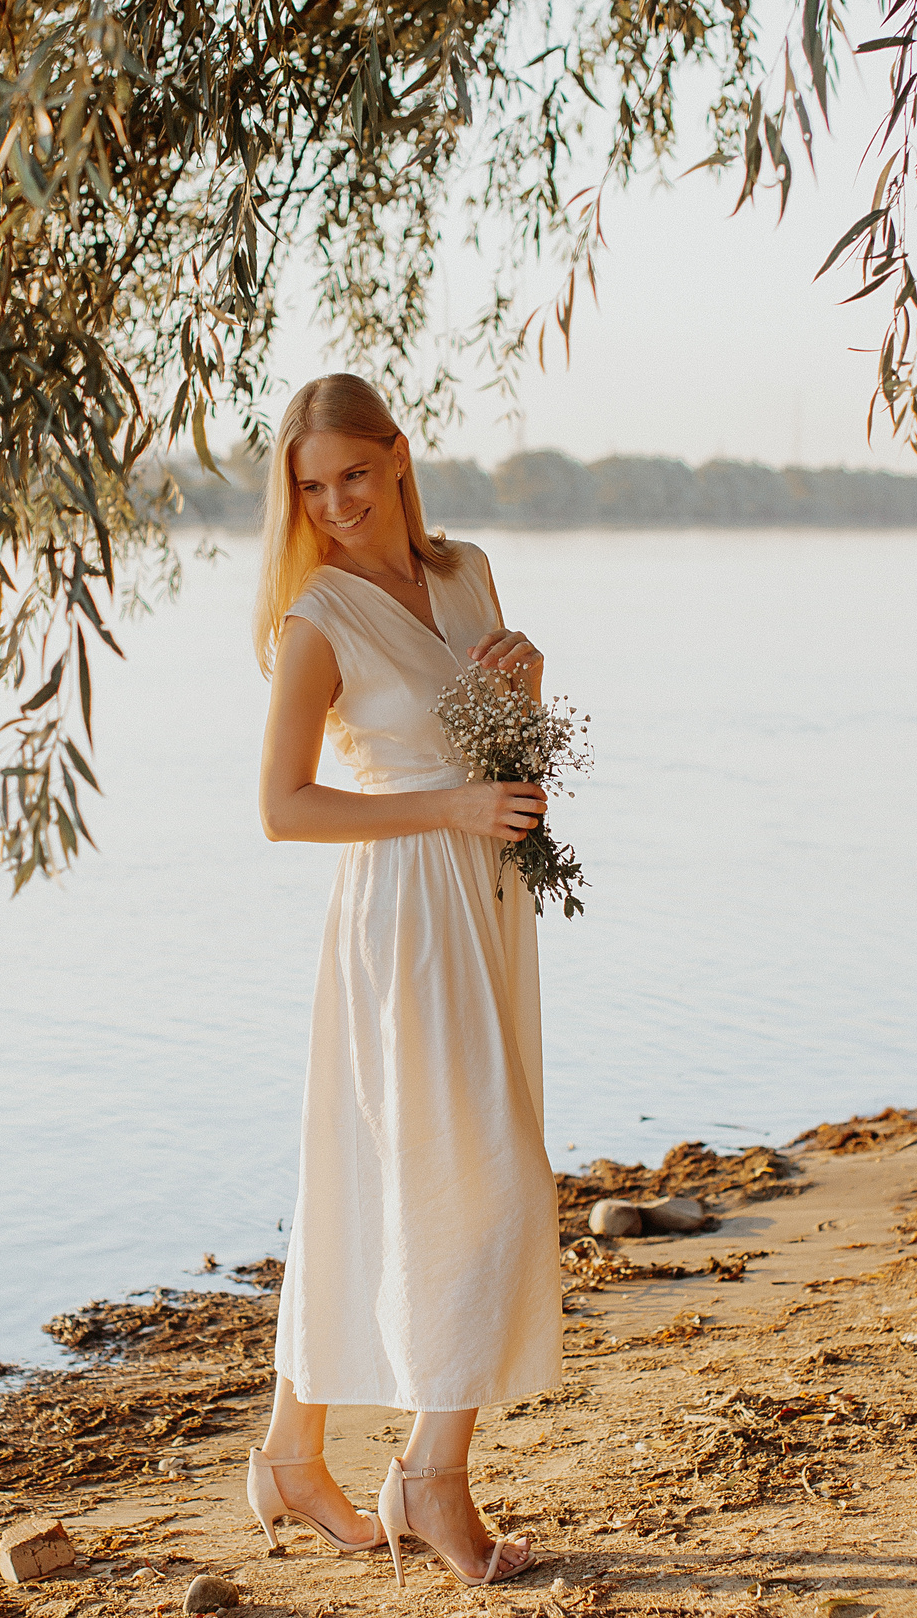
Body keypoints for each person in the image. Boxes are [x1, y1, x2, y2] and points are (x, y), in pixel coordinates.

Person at [244, 373, 557, 1588]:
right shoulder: (317, 619)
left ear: (399, 457)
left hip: (484, 901)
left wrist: (523, 699)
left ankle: (288, 1451)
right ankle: (429, 1476)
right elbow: (281, 809)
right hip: (401, 916)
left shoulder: (468, 573)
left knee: (386, 1169)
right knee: (489, 1178)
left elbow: (505, 757)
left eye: (353, 477)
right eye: (311, 490)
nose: (336, 505)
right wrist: (452, 807)